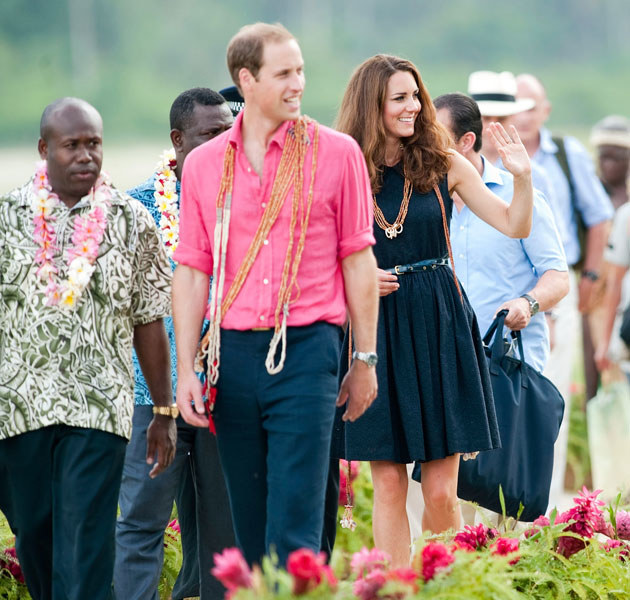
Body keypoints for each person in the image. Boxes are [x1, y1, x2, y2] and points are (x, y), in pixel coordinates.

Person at [172, 22, 379, 568]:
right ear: (247, 79)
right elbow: (192, 271)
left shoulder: (338, 154)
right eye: (284, 73)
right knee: (250, 522)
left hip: (310, 349)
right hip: (232, 357)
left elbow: (359, 262)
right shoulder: (203, 164)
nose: (298, 84)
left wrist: (363, 360)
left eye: (301, 70)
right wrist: (187, 369)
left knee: (296, 523)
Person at [331, 55, 533, 567]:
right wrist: (348, 276)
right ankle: (396, 585)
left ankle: (448, 581)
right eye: (399, 98)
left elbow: (514, 224)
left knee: (443, 490)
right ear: (371, 104)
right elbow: (308, 248)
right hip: (378, 330)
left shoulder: (441, 159)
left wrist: (522, 179)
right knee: (390, 482)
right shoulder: (342, 166)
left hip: (440, 321)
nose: (413, 107)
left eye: (415, 95)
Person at [0, 98, 173, 599]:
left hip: (98, 409)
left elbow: (148, 321)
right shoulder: (8, 219)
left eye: (93, 143)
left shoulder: (131, 220)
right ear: (43, 149)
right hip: (19, 412)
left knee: (87, 540)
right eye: (72, 145)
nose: (85, 156)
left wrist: (162, 409)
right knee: (36, 537)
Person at [114, 88, 235, 600]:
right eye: (212, 135)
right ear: (178, 140)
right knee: (143, 517)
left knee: (221, 528)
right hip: (153, 393)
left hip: (222, 388)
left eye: (231, 133)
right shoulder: (140, 206)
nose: (225, 143)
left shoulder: (244, 202)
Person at [513, 73, 614, 504]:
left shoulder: (567, 156)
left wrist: (591, 278)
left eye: (531, 106)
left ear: (545, 111)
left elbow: (598, 217)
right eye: (515, 105)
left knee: (550, 394)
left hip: (560, 281)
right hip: (511, 285)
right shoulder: (491, 155)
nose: (523, 115)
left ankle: (542, 504)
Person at [436, 92, 569, 371]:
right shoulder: (424, 202)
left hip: (508, 362)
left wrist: (527, 304)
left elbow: (557, 276)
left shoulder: (519, 195)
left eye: (435, 136)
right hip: (447, 363)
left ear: (466, 142)